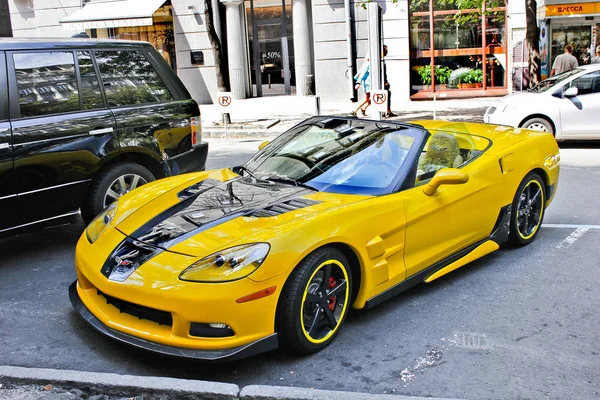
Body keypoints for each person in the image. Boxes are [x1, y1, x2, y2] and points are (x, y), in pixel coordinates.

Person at [382, 45, 397, 118]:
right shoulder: (380, 61)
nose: (387, 52)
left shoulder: (382, 60)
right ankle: (386, 111)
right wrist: (385, 81)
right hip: (381, 82)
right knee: (385, 95)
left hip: (383, 81)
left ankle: (387, 110)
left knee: (387, 94)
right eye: (386, 51)